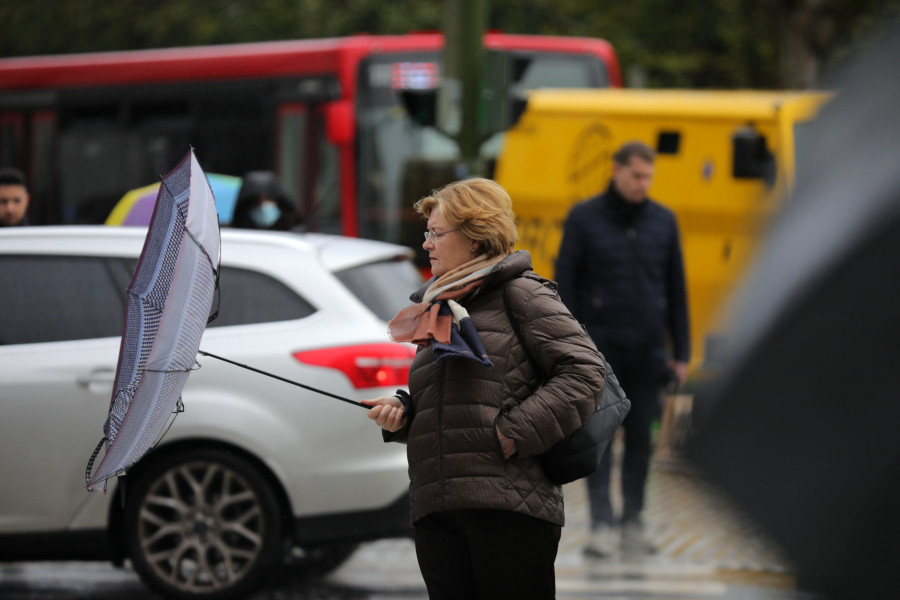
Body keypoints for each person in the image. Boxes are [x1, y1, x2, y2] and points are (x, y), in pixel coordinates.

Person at [362, 178, 606, 600]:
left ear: (476, 238)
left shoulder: (522, 294)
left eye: (437, 234)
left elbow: (584, 370)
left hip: (506, 508)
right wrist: (403, 409)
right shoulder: (439, 308)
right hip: (437, 506)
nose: (427, 244)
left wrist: (513, 433)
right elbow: (459, 394)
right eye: (427, 233)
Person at [555, 141, 690, 557]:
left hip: (649, 352)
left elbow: (675, 288)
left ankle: (633, 520)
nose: (642, 184)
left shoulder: (663, 221)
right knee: (599, 440)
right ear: (616, 170)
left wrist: (681, 352)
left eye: (648, 176)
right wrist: (569, 348)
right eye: (636, 175)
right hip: (599, 353)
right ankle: (601, 525)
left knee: (641, 443)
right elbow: (566, 286)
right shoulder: (584, 218)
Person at [229, 171, 299, 231]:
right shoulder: (237, 238)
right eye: (257, 201)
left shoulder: (294, 239)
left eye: (268, 199)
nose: (263, 206)